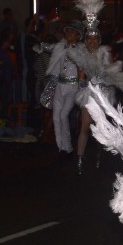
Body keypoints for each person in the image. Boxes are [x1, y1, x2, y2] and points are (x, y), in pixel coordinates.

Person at [68, 0, 123, 174]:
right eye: (90, 38)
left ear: (99, 39)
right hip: (88, 93)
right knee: (85, 126)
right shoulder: (81, 53)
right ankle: (79, 159)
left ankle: (98, 155)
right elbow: (80, 73)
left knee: (100, 127)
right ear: (86, 40)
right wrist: (83, 83)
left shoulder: (105, 52)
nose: (93, 41)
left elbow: (112, 71)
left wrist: (105, 79)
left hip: (103, 93)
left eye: (95, 38)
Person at [37, 19, 85, 159]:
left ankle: (68, 147)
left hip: (72, 87)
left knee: (63, 115)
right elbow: (49, 47)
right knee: (56, 116)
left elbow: (84, 66)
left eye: (72, 31)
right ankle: (61, 147)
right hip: (59, 85)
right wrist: (40, 46)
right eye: (67, 31)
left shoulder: (81, 51)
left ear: (78, 35)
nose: (69, 33)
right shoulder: (60, 47)